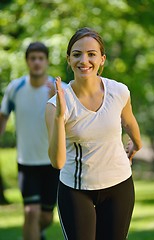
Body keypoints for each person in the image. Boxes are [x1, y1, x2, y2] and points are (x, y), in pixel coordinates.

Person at [45, 27, 142, 240]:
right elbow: (57, 162)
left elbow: (129, 121)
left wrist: (137, 144)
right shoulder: (56, 105)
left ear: (102, 59)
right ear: (68, 60)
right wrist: (60, 117)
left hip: (119, 185)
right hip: (76, 190)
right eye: (77, 54)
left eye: (91, 54)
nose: (84, 60)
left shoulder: (119, 91)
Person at [0, 42, 67, 240]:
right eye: (33, 58)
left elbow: (72, 124)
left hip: (53, 163)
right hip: (26, 162)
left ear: (46, 61)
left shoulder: (60, 89)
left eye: (41, 58)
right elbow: (3, 117)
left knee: (46, 216)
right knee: (30, 212)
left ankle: (36, 234)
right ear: (27, 61)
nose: (37, 62)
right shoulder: (15, 88)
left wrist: (57, 102)